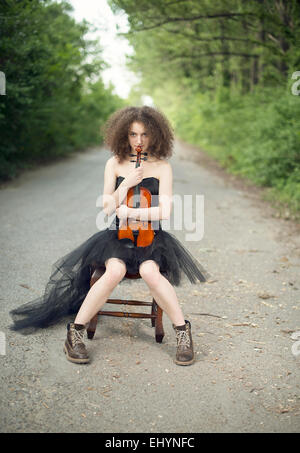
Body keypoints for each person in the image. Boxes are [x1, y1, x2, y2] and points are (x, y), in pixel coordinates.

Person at [10, 106, 210, 366]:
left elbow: (166, 210)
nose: (138, 141)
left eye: (145, 135)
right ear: (123, 135)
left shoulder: (162, 167)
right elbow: (106, 206)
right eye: (133, 134)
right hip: (118, 235)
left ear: (156, 135)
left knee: (151, 272)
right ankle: (76, 332)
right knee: (113, 271)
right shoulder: (114, 163)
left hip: (151, 237)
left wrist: (132, 210)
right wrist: (126, 184)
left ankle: (183, 333)